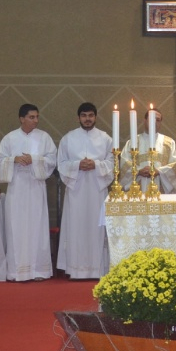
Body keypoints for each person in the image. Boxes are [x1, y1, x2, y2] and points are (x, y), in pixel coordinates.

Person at [0, 104, 57, 282]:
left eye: (37, 117)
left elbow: (52, 160)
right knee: (16, 226)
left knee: (37, 226)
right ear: (21, 118)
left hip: (36, 188)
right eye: (31, 117)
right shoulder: (9, 138)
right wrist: (14, 159)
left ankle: (39, 269)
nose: (35, 120)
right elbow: (1, 159)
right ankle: (18, 271)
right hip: (17, 188)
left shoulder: (44, 137)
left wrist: (34, 159)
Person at [57, 102, 114, 279]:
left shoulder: (106, 139)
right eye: (84, 116)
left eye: (90, 115)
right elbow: (61, 164)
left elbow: (113, 163)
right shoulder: (68, 138)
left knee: (97, 227)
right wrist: (77, 165)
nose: (87, 119)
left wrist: (96, 164)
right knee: (76, 227)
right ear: (78, 117)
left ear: (95, 117)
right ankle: (75, 269)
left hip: (97, 190)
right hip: (77, 190)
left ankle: (99, 269)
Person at [118, 109, 176, 193]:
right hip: (137, 191)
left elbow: (175, 166)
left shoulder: (168, 143)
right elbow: (124, 163)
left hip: (161, 190)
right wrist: (138, 171)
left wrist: (159, 171)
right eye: (151, 119)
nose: (154, 122)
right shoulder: (133, 142)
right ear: (145, 120)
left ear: (160, 123)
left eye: (158, 120)